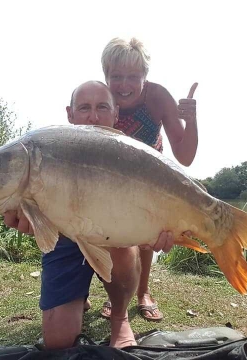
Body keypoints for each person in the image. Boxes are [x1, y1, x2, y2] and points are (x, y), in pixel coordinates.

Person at [4, 81, 177, 350]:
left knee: (120, 247)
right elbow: (37, 217)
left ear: (116, 113)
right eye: (84, 108)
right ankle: (78, 295)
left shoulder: (131, 154)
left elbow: (146, 218)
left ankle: (119, 317)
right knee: (58, 341)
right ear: (69, 114)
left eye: (102, 108)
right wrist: (34, 221)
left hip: (112, 239)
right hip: (66, 236)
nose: (93, 116)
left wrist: (151, 233)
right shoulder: (47, 150)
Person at [98, 37, 198, 322]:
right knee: (112, 235)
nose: (124, 85)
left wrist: (191, 120)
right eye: (116, 76)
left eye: (133, 76)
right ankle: (114, 294)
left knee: (147, 238)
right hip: (111, 177)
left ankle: (143, 292)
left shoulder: (158, 97)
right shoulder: (100, 98)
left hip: (151, 177)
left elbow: (186, 156)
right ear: (106, 75)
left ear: (145, 76)